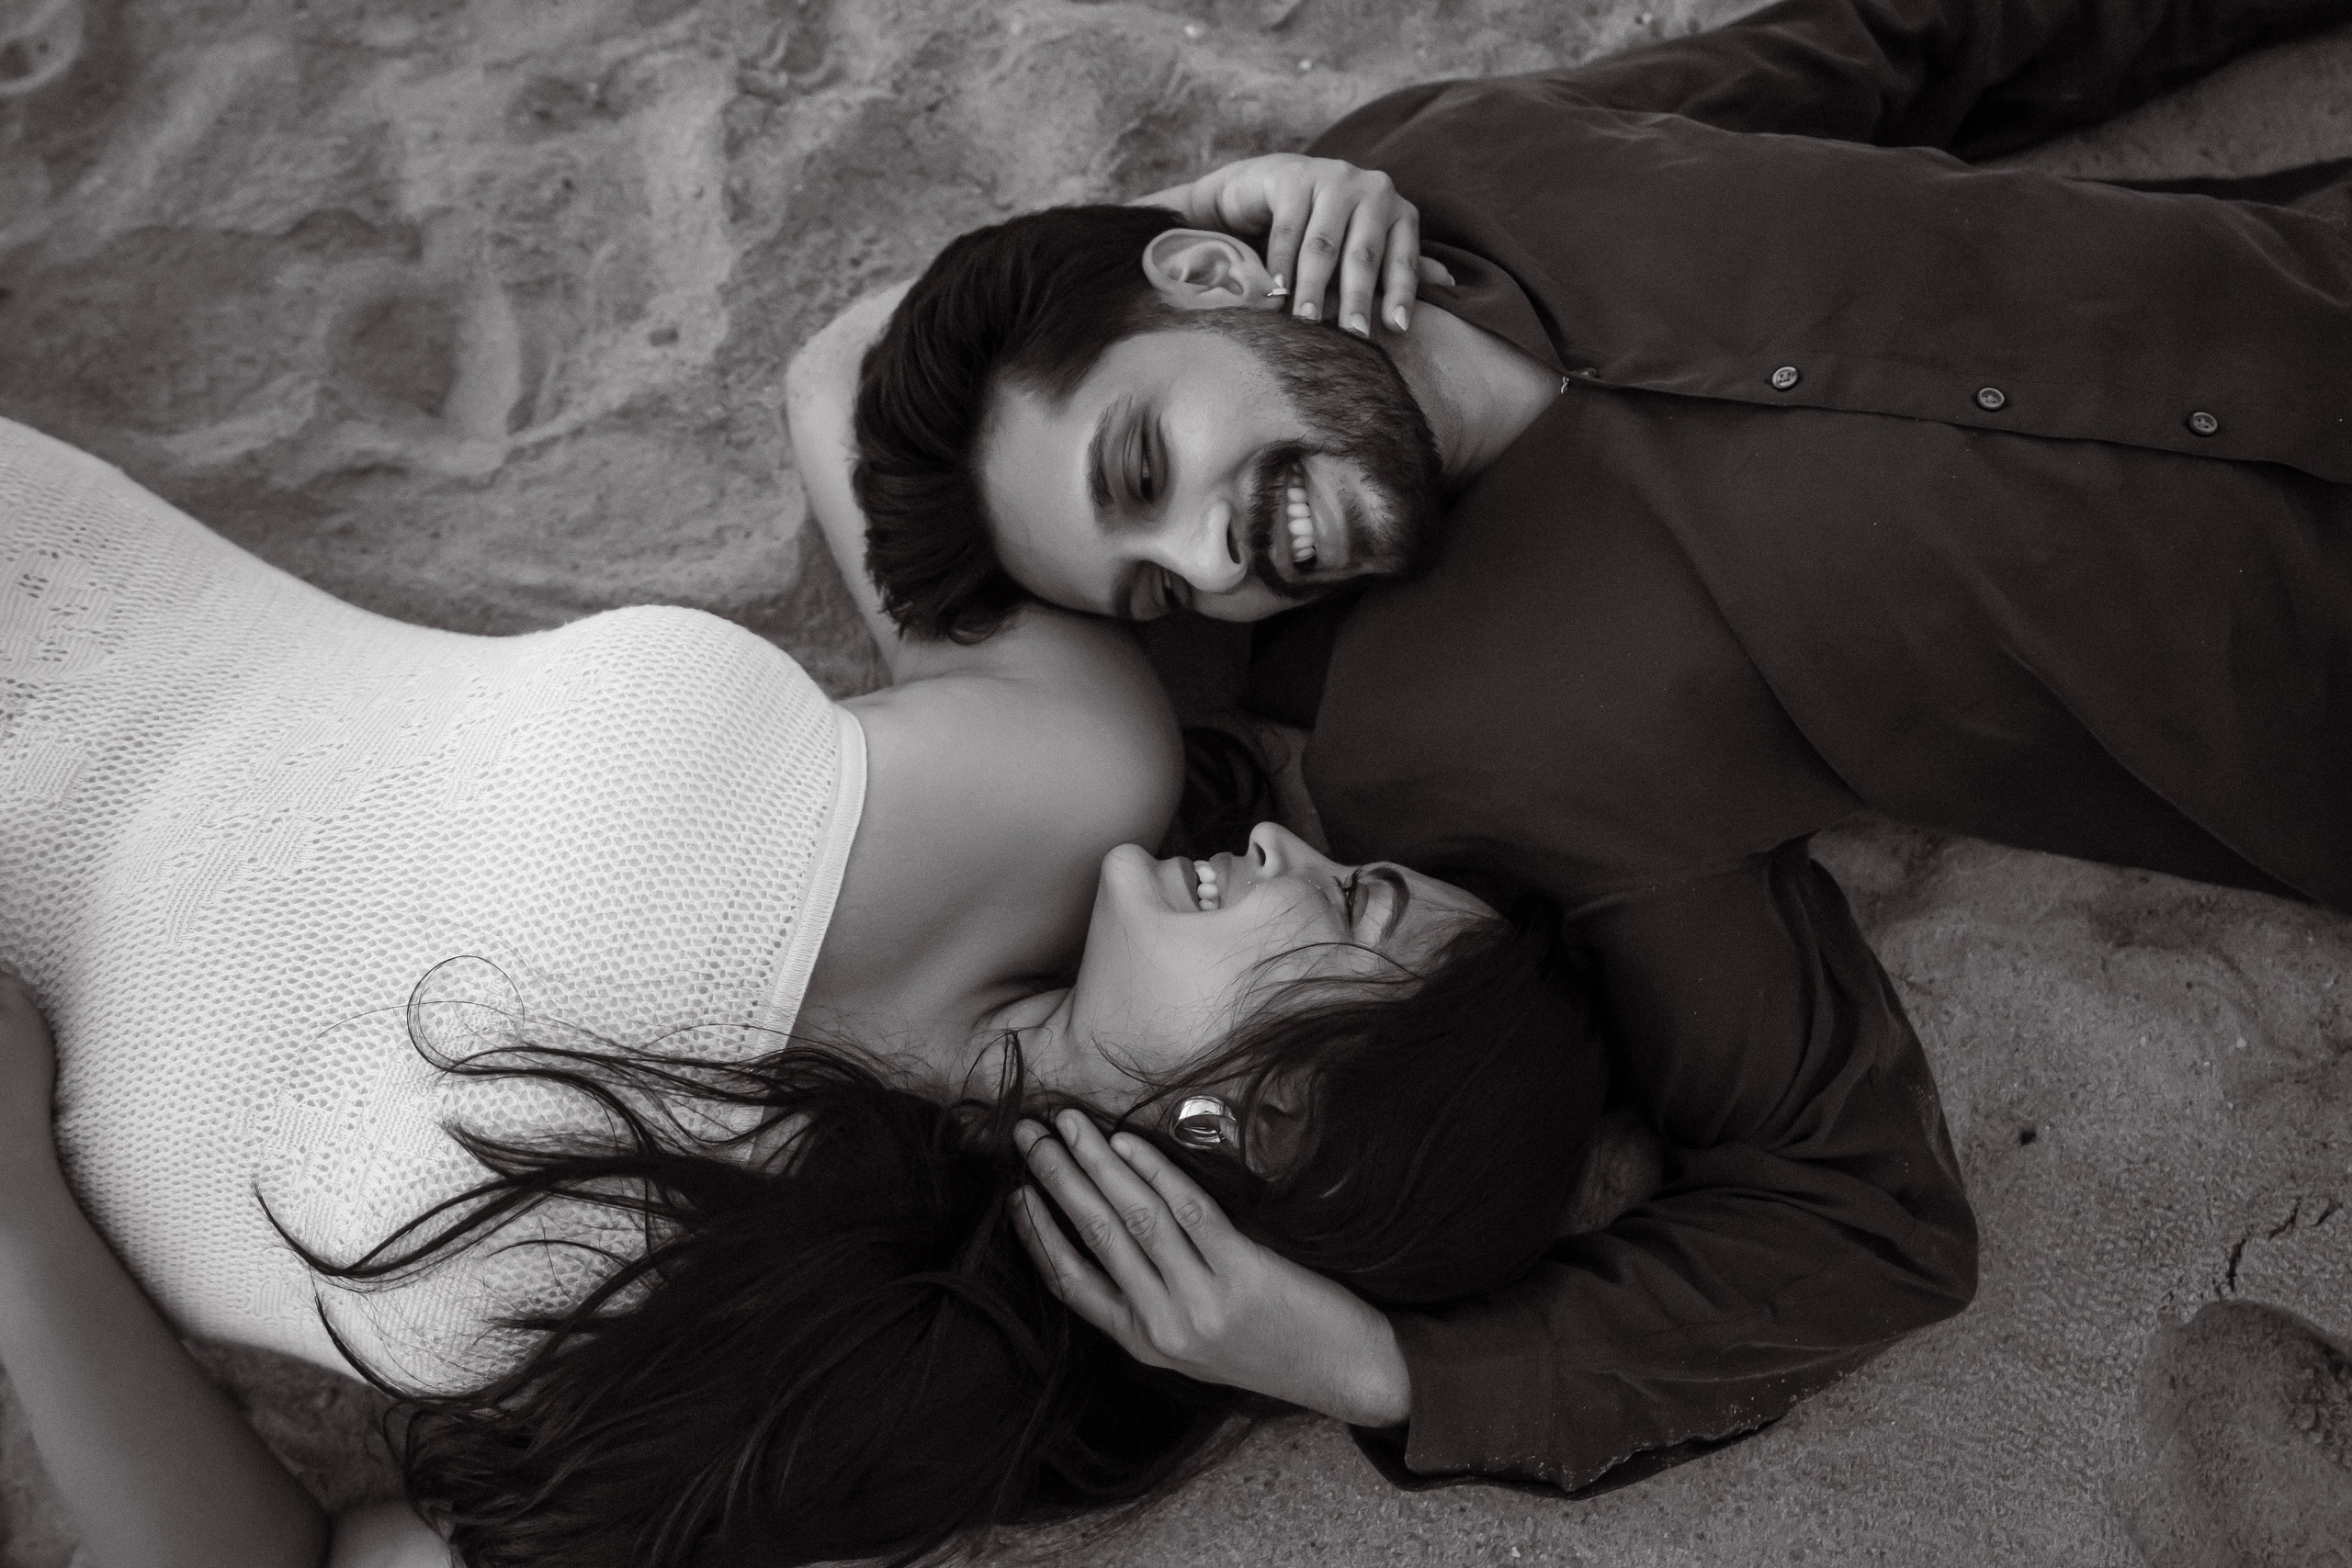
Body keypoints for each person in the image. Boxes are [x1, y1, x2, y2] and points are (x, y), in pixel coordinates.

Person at [847, 0, 2349, 1498]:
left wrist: (1219, 193)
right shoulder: (1469, 744)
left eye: (1144, 466)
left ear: (1206, 273)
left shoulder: (1448, 156)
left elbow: (1910, 49)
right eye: (1158, 594)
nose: (1210, 556)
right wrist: (1391, 1374)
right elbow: (1855, 1216)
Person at [0, 254, 1609, 1567]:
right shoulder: (1066, 776)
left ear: (1264, 1126)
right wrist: (1200, 249)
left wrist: (12, 1208)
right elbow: (859, 372)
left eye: (1350, 909)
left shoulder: (810, 1370)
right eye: (1355, 866)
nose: (1284, 843)